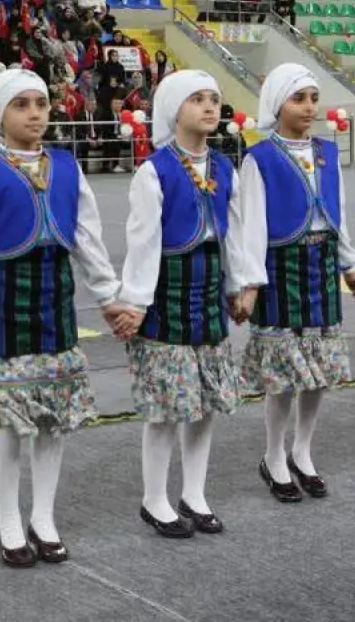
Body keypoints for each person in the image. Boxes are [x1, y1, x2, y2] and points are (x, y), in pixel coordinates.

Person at [0, 69, 126, 567]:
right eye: (21, 105)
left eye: (41, 104)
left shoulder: (66, 166)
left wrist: (108, 295)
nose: (35, 114)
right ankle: (8, 520)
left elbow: (87, 237)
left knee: (53, 419)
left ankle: (43, 517)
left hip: (55, 302)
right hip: (3, 306)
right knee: (7, 421)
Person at [113, 71, 247, 539]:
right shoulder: (155, 171)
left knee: (206, 400)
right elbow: (143, 242)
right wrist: (135, 302)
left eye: (214, 99)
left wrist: (241, 285)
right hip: (167, 293)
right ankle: (154, 498)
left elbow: (236, 234)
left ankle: (194, 493)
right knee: (166, 405)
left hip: (209, 291)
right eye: (197, 99)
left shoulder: (226, 168)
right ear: (173, 110)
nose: (210, 107)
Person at [236, 64, 355, 502]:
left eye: (314, 98)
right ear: (277, 104)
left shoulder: (327, 152)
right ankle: (274, 455)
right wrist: (250, 282)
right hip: (280, 268)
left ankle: (303, 450)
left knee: (319, 370)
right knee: (282, 374)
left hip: (321, 264)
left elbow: (338, 215)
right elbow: (251, 226)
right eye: (299, 99)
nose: (310, 107)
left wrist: (350, 266)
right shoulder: (259, 158)